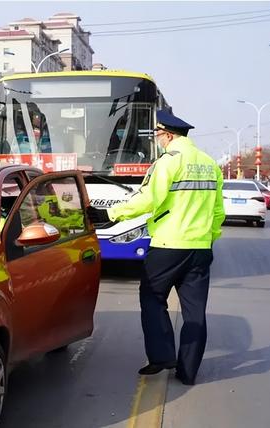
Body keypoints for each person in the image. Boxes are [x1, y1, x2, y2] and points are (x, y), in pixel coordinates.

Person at [106, 110, 225, 385]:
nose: (158, 140)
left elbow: (148, 199)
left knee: (152, 296)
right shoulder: (210, 163)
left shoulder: (168, 162)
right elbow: (219, 212)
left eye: (159, 135)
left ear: (169, 135)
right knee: (195, 312)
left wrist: (114, 214)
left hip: (168, 245)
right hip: (200, 248)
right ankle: (188, 371)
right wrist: (208, 238)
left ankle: (162, 356)